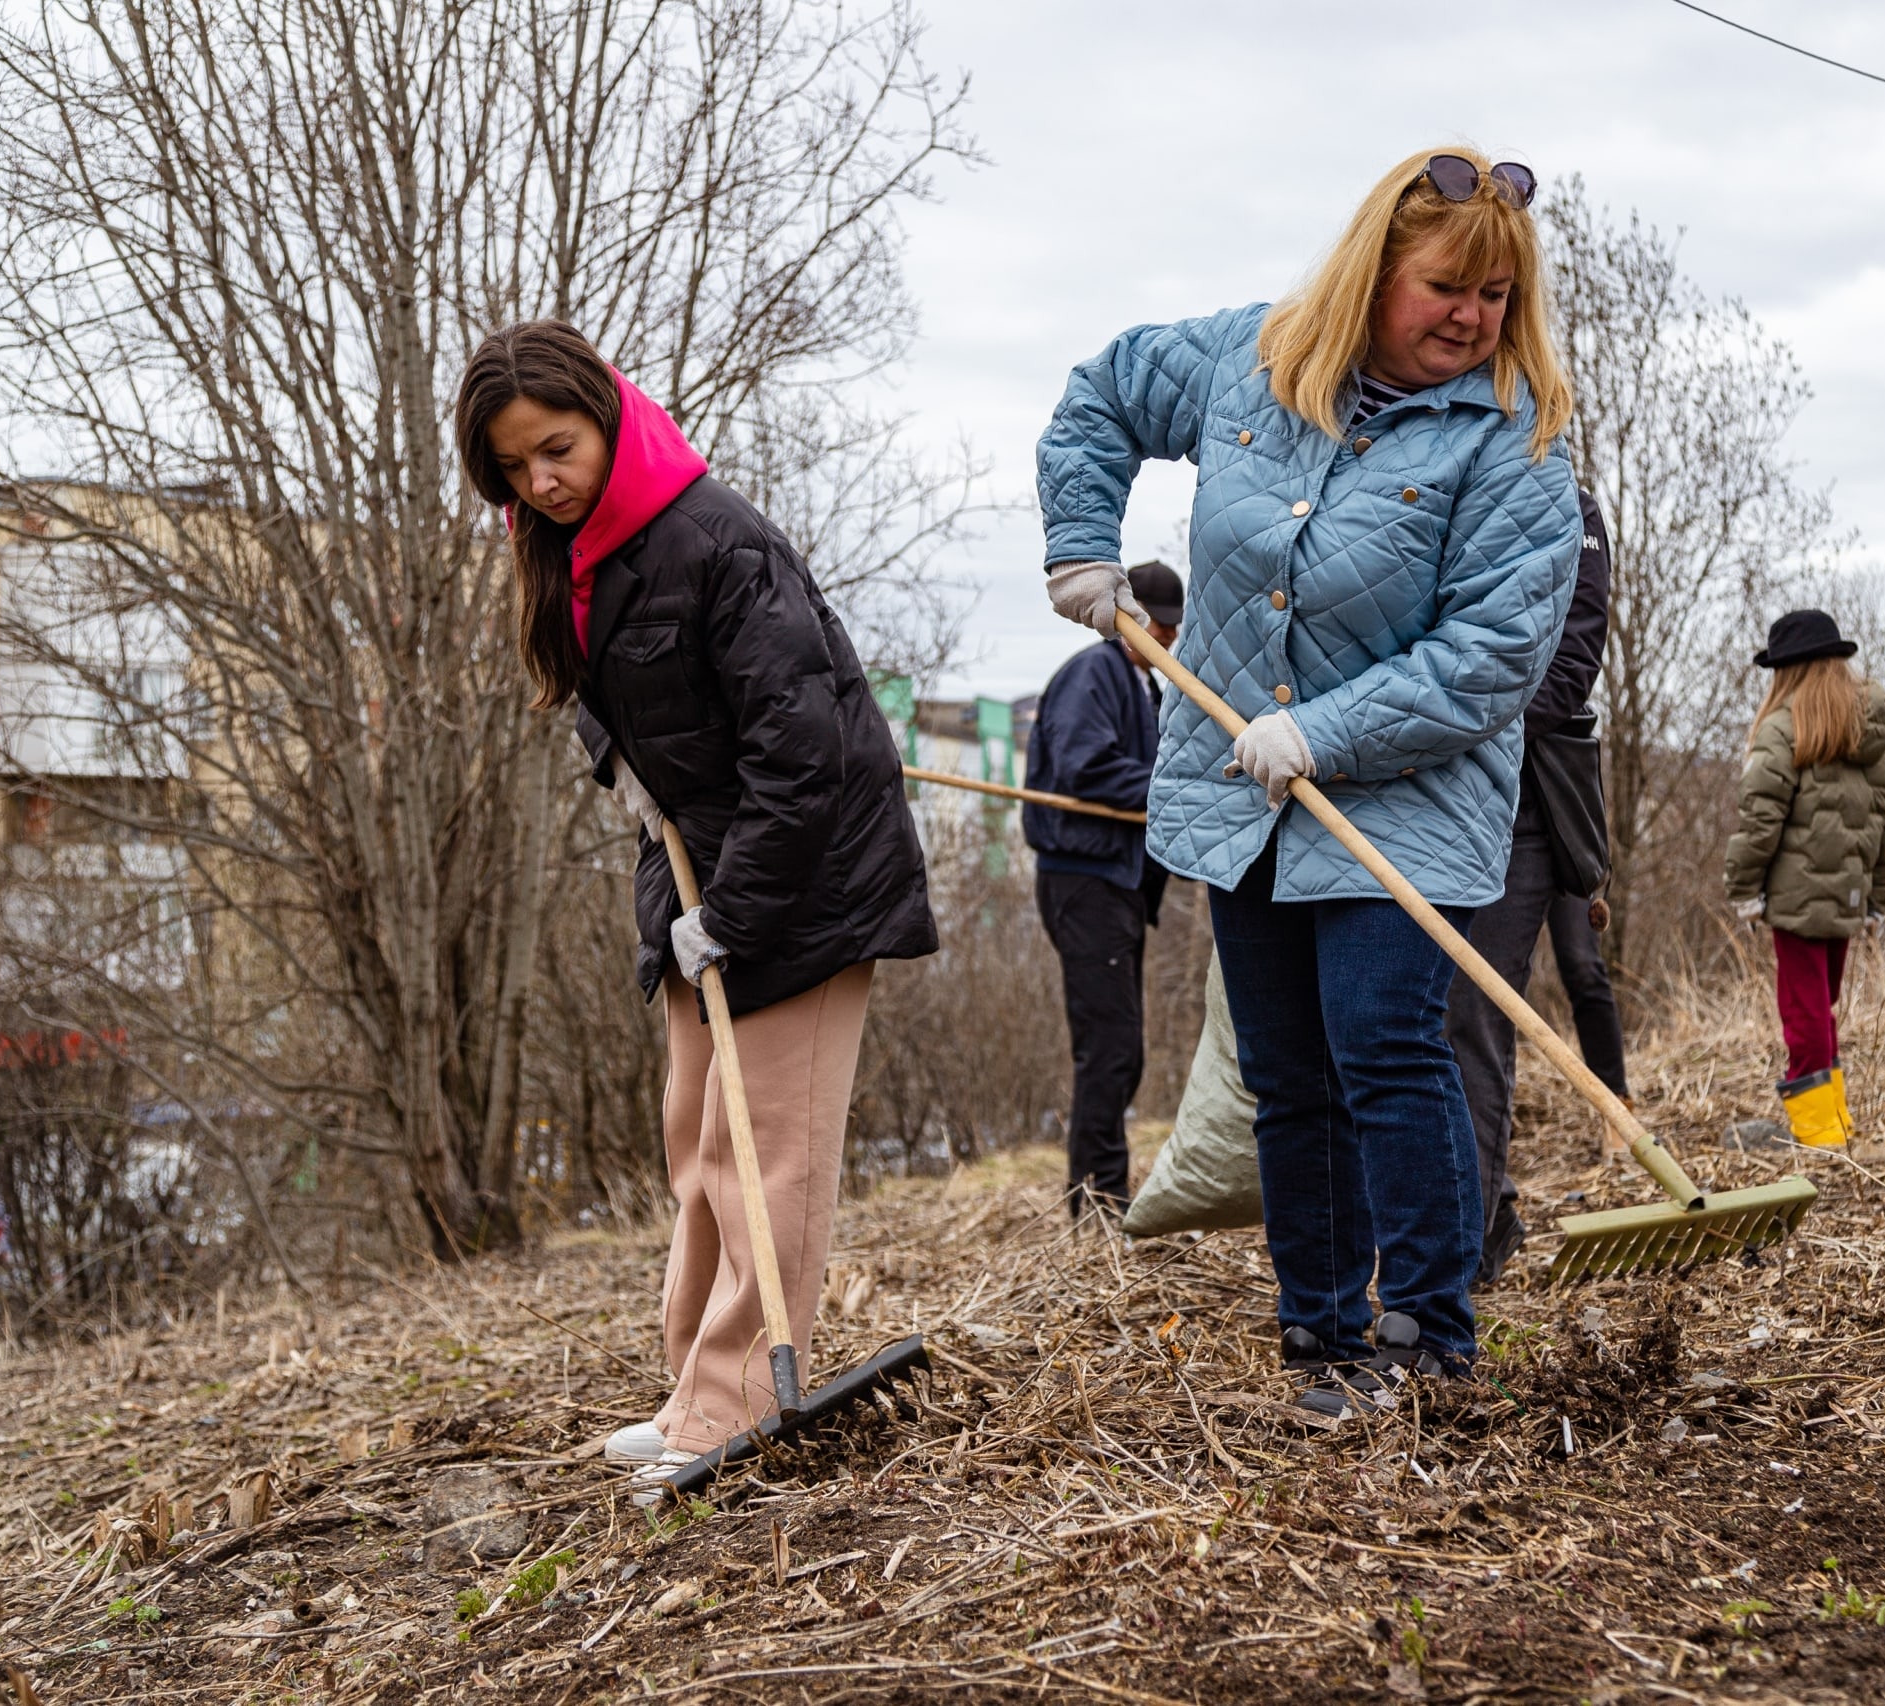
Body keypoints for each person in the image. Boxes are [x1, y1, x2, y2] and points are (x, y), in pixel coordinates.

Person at [1035, 148, 1581, 1421]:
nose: (1472, 317)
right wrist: (1081, 543)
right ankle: (1322, 1339)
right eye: (1446, 286)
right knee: (1286, 1069)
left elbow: (1491, 656)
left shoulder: (1516, 444)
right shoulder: (1253, 359)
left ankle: (1430, 1338)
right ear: (1374, 271)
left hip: (1408, 790)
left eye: (1496, 295)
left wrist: (1321, 732)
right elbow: (1101, 396)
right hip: (1245, 792)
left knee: (1384, 1042)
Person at [452, 320, 937, 1489]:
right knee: (698, 1138)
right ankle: (694, 1386)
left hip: (803, 880)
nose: (541, 482)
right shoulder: (576, 548)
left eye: (557, 449)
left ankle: (738, 1397)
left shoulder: (718, 540)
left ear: (608, 418)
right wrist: (616, 760)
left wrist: (736, 913)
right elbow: (616, 685)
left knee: (765, 1148)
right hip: (693, 870)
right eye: (513, 467)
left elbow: (803, 754)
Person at [1445, 487, 1623, 1287]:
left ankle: (1470, 1243)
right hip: (1420, 798)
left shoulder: (1570, 511)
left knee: (1474, 1012)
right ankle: (1492, 1206)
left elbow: (1571, 668)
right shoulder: (1441, 484)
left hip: (1520, 804)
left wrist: (1451, 728)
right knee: (1417, 1017)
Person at [1022, 559, 1186, 1218]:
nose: (1168, 636)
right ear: (1130, 618)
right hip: (1083, 881)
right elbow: (1084, 768)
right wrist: (1172, 791)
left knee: (1123, 1047)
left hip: (1121, 885)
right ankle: (1095, 1202)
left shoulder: (1146, 689)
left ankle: (1101, 1192)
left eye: (1173, 626)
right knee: (1109, 1047)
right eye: (1159, 624)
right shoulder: (1094, 675)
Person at [1724, 611, 1885, 1148]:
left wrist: (1744, 890)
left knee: (1803, 1014)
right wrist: (1877, 898)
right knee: (1819, 1009)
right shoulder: (1867, 731)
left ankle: (1820, 1133)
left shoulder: (1783, 729)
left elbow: (1760, 819)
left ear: (1788, 672)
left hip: (1796, 900)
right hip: (1849, 896)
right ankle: (1835, 1120)